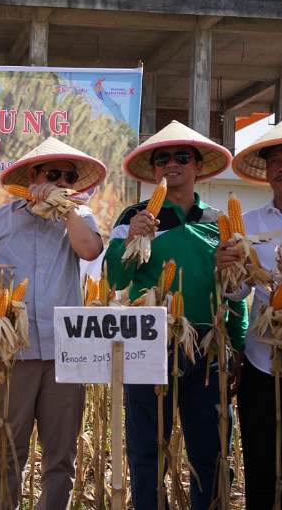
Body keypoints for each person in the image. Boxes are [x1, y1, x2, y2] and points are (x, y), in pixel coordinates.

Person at [104, 120, 248, 510]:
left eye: (182, 157)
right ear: (153, 171)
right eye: (162, 159)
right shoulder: (133, 217)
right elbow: (116, 278)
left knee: (212, 452)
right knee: (147, 451)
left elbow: (235, 290)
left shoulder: (219, 222)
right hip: (148, 345)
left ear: (197, 167)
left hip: (206, 347)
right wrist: (132, 238)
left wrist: (238, 343)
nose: (172, 164)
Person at [0, 136, 105, 509]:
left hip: (64, 351)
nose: (62, 183)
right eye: (53, 175)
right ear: (33, 176)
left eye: (69, 178)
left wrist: (67, 210)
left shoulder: (81, 218)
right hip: (14, 348)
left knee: (60, 456)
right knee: (8, 450)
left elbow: (89, 250)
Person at [217, 117, 282, 508]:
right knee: (264, 471)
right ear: (266, 172)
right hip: (264, 363)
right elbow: (237, 294)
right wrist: (226, 269)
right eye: (276, 161)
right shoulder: (248, 225)